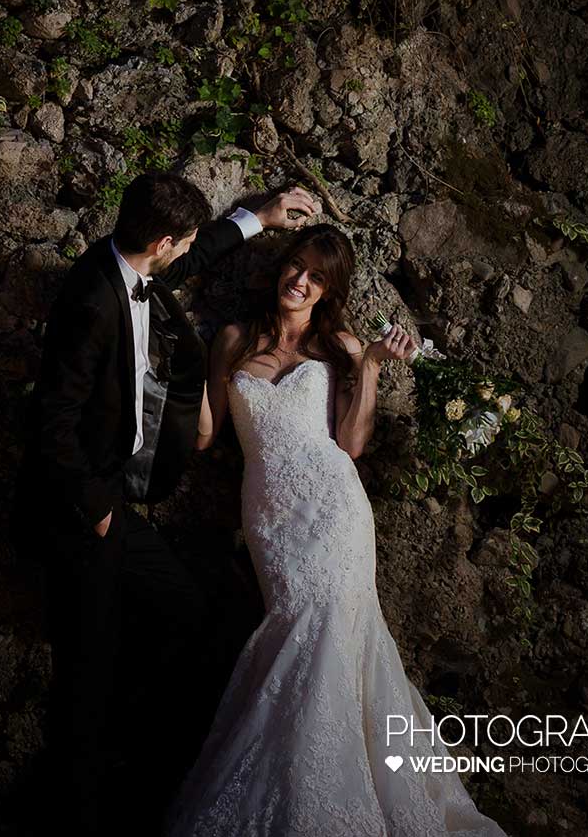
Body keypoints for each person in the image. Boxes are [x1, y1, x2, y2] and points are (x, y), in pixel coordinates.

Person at [163, 223, 511, 837]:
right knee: (298, 626)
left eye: (316, 277)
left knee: (326, 626)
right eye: (296, 266)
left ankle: (326, 798)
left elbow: (349, 443)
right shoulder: (233, 339)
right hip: (271, 514)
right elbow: (206, 434)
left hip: (335, 508)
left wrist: (370, 364)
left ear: (329, 290)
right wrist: (173, 369)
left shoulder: (339, 346)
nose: (300, 281)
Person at [12, 174, 323, 837]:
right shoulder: (92, 299)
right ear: (160, 242)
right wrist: (98, 508)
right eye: (179, 243)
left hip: (113, 504)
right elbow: (52, 421)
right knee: (85, 675)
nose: (184, 252)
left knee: (181, 612)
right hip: (81, 513)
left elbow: (196, 254)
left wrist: (259, 217)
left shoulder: (132, 266)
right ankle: (76, 814)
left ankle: (123, 763)